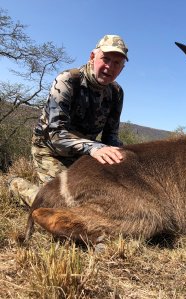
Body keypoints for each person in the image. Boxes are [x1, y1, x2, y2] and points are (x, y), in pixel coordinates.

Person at [9, 34, 128, 206]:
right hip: (50, 149)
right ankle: (16, 184)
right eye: (106, 59)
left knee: (104, 199)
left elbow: (110, 137)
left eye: (117, 63)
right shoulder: (68, 80)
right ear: (92, 57)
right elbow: (56, 134)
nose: (110, 67)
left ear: (122, 68)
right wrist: (95, 148)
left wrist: (126, 155)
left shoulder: (116, 92)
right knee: (60, 203)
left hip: (85, 153)